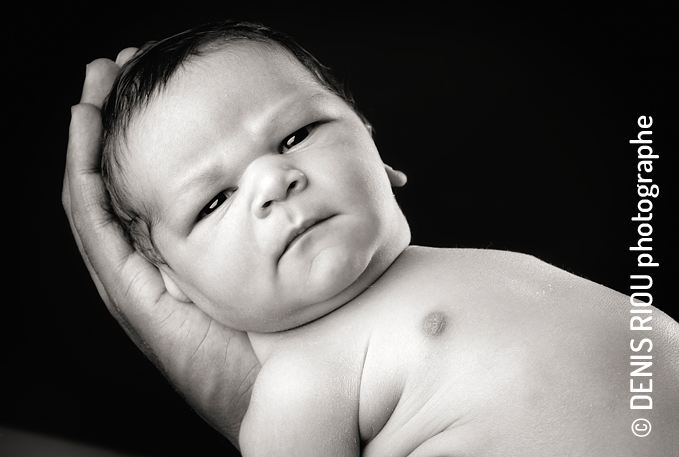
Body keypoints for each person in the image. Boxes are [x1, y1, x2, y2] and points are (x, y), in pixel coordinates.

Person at [64, 21, 679, 456]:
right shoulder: (300, 382)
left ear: (380, 158)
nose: (275, 182)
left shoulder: (446, 270)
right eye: (213, 201)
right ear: (172, 281)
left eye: (297, 134)